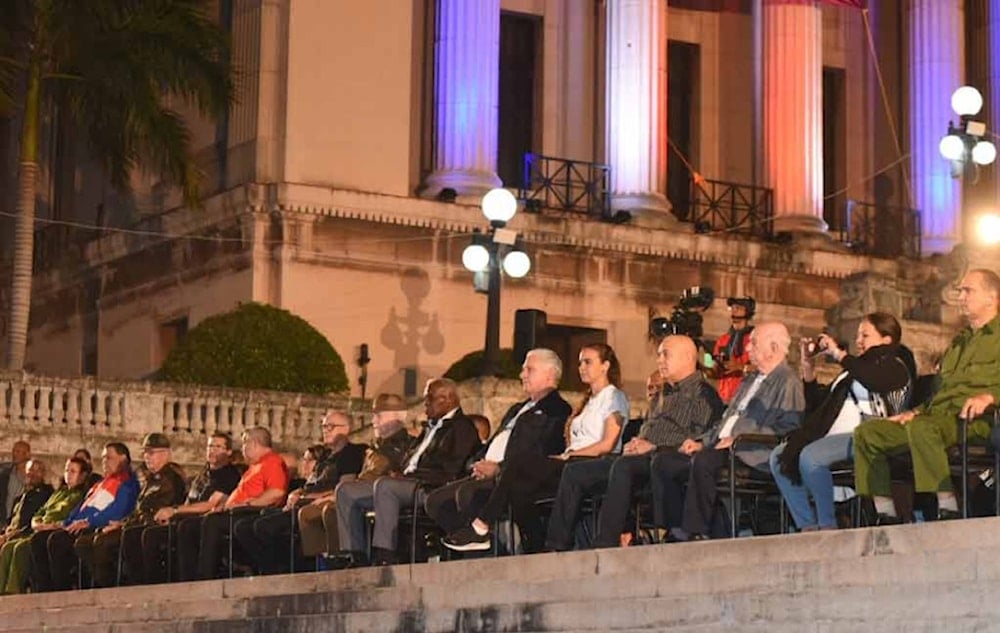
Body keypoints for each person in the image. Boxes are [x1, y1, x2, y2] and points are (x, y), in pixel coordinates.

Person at [443, 344, 627, 554]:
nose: (581, 367)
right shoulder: (588, 401)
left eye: (588, 362)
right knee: (520, 486)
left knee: (519, 463)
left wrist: (570, 455)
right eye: (579, 362)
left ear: (605, 366)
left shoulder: (614, 397)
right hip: (570, 461)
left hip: (590, 463)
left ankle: (481, 527)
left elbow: (607, 443)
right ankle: (535, 547)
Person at [545, 336, 724, 551]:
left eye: (665, 354)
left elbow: (697, 440)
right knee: (575, 471)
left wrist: (653, 447)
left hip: (666, 459)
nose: (659, 360)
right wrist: (637, 442)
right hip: (640, 455)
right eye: (658, 355)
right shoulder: (663, 393)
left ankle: (606, 542)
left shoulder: (704, 394)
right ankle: (554, 545)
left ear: (687, 357)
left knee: (623, 467)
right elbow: (649, 427)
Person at [854, 269, 1000, 522]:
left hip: (975, 420)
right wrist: (914, 412)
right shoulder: (959, 341)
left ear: (992, 297)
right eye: (960, 291)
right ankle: (885, 512)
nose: (961, 297)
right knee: (868, 433)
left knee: (924, 428)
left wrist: (991, 397)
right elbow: (941, 391)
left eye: (968, 290)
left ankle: (947, 504)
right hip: (936, 417)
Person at [650, 322, 804, 540]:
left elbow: (789, 428)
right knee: (665, 462)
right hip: (720, 447)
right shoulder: (749, 379)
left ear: (774, 348)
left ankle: (695, 530)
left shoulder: (787, 380)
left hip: (753, 451)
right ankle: (674, 528)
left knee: (704, 462)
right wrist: (702, 441)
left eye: (753, 343)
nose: (748, 349)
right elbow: (725, 420)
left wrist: (738, 440)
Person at [769, 313, 914, 531]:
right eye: (857, 336)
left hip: (870, 437)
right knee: (779, 456)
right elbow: (819, 405)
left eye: (865, 335)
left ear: (887, 339)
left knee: (812, 457)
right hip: (832, 437)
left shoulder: (895, 366)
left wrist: (839, 354)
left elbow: (873, 379)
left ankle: (827, 523)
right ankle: (807, 525)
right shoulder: (851, 372)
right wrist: (808, 368)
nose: (859, 341)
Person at [425, 349, 571, 550]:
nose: (522, 375)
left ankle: (481, 552)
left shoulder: (556, 409)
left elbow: (540, 451)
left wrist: (499, 469)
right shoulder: (517, 408)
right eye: (522, 370)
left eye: (529, 370)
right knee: (435, 501)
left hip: (515, 476)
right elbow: (494, 441)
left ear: (550, 374)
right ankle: (489, 547)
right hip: (486, 472)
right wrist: (476, 464)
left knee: (467, 493)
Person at [335, 378, 479, 565]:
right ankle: (355, 555)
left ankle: (385, 554)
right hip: (405, 483)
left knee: (386, 486)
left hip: (430, 487)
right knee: (346, 491)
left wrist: (409, 477)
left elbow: (451, 469)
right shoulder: (430, 427)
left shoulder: (461, 428)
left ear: (447, 399)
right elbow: (410, 459)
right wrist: (399, 472)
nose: (425, 404)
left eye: (429, 398)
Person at [234, 411, 365, 575]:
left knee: (264, 526)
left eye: (331, 426)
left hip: (316, 505)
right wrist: (297, 492)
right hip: (300, 501)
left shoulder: (351, 453)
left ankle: (282, 569)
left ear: (346, 429)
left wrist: (305, 497)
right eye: (324, 426)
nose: (325, 430)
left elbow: (345, 487)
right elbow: (310, 483)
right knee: (243, 527)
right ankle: (272, 567)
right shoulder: (325, 456)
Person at [298, 394, 414, 560]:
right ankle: (324, 562)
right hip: (366, 490)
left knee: (331, 510)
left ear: (398, 416)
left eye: (378, 415)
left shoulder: (401, 445)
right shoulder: (378, 445)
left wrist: (334, 496)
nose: (373, 420)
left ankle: (350, 557)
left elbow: (377, 474)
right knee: (308, 513)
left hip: (382, 492)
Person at [175, 427, 289, 581]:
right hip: (234, 511)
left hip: (250, 514)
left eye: (244, 444)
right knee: (188, 526)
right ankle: (187, 579)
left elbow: (276, 492)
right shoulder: (254, 467)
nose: (242, 449)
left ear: (253, 443)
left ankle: (205, 577)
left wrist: (248, 504)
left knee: (212, 523)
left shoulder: (272, 462)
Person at [29, 443, 139, 591]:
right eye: (103, 458)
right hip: (78, 524)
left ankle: (63, 590)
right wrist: (64, 523)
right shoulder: (100, 484)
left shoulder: (127, 483)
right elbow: (81, 508)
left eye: (109, 458)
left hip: (96, 526)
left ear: (123, 458)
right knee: (38, 539)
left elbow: (116, 511)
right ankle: (45, 589)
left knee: (57, 541)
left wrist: (88, 521)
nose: (104, 462)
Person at [81, 433, 187, 587]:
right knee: (87, 542)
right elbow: (140, 508)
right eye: (145, 453)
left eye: (151, 453)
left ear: (165, 454)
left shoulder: (171, 478)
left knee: (105, 542)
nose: (146, 457)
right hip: (138, 523)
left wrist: (126, 524)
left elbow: (156, 510)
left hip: (156, 526)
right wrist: (123, 522)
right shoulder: (153, 479)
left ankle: (117, 587)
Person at [137, 432, 242, 585]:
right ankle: (146, 584)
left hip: (204, 522)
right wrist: (173, 515)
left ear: (228, 452)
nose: (212, 450)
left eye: (218, 447)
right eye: (210, 446)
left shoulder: (228, 475)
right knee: (143, 533)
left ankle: (180, 583)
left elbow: (210, 504)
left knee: (159, 534)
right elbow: (189, 501)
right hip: (185, 518)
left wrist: (174, 510)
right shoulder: (203, 474)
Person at [0, 458, 91, 594]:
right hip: (39, 529)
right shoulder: (58, 493)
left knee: (20, 548)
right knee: (8, 547)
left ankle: (12, 591)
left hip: (56, 531)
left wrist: (49, 526)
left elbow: (70, 518)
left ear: (82, 475)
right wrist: (37, 523)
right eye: (67, 470)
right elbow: (41, 512)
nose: (68, 474)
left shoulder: (80, 496)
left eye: (73, 471)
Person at [710, 297, 756, 403]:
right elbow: (711, 366)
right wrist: (715, 367)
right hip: (724, 397)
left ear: (748, 312)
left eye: (738, 308)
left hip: (746, 398)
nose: (734, 311)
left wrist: (741, 367)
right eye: (732, 308)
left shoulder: (756, 339)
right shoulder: (723, 340)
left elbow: (764, 368)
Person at [0, 459, 53, 546]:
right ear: (25, 472)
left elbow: (30, 524)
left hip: (26, 537)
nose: (33, 474)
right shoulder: (19, 499)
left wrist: (7, 537)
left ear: (44, 474)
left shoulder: (46, 494)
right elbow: (10, 522)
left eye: (38, 470)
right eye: (31, 470)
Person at [0, 441, 31, 528]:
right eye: (14, 451)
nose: (15, 454)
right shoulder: (4, 473)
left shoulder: (32, 475)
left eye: (18, 451)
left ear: (27, 454)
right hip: (4, 518)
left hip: (21, 520)